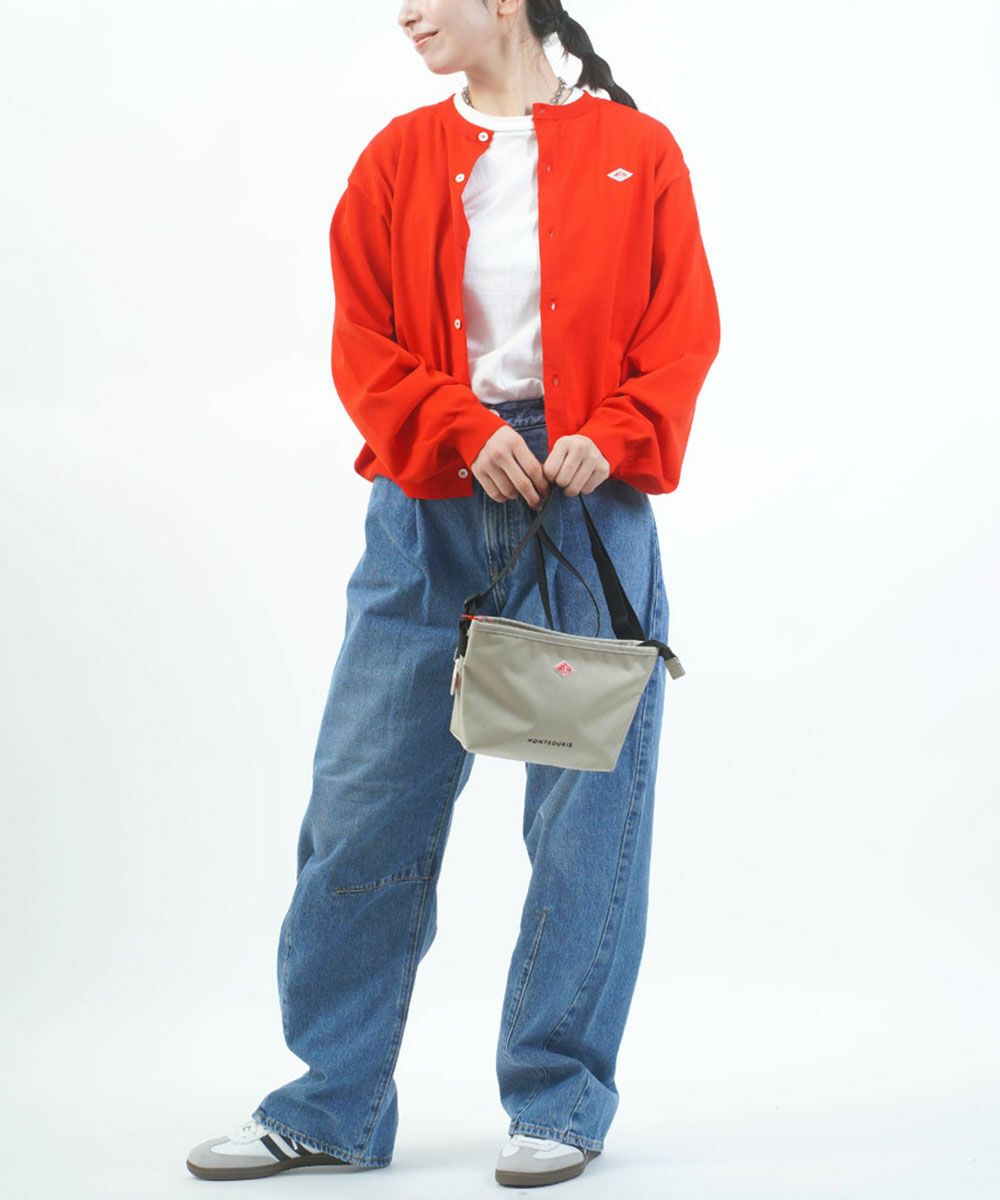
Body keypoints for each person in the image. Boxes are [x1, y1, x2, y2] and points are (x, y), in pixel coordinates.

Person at [186, 0, 720, 1188]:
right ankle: (329, 1102)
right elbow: (365, 339)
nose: (407, 13)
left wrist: (614, 431)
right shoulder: (397, 157)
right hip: (428, 501)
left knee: (586, 819)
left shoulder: (638, 152)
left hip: (584, 507)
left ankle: (559, 1100)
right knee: (362, 803)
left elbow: (681, 331)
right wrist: (458, 428)